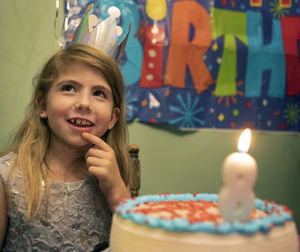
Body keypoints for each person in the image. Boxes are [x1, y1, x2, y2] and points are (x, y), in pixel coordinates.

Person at [0, 43, 132, 251]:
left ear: (113, 118)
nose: (84, 103)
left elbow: (135, 243)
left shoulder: (113, 175)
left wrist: (117, 191)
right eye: (69, 88)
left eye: (99, 93)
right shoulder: (7, 177)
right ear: (42, 105)